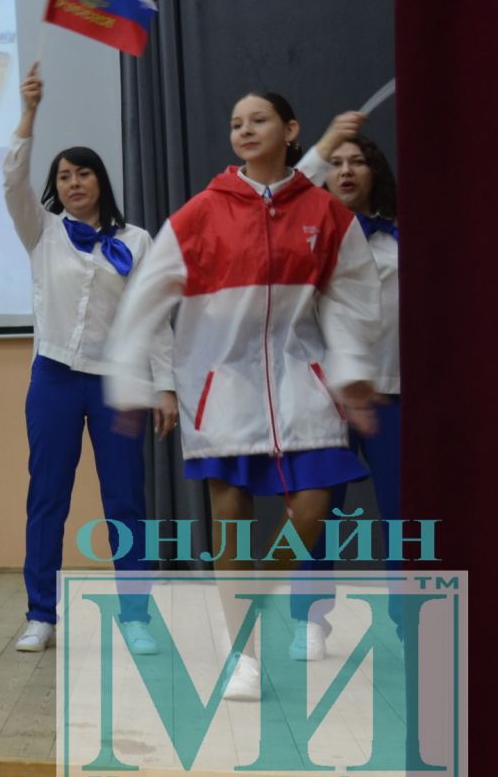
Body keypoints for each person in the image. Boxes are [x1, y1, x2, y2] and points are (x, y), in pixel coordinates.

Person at [105, 94, 380, 700]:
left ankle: (251, 601)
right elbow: (145, 299)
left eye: (258, 120)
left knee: (312, 508)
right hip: (220, 389)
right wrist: (133, 381)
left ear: (291, 129)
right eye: (235, 123)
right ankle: (242, 657)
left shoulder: (325, 214)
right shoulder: (200, 214)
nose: (245, 130)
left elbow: (354, 297)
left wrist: (353, 369)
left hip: (299, 388)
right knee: (228, 519)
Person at [4, 64, 168, 655]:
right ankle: (41, 614)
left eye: (84, 173)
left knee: (125, 499)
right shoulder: (42, 231)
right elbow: (12, 180)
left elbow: (154, 320)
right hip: (53, 378)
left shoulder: (139, 241)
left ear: (101, 180)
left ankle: (137, 615)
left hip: (115, 386)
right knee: (47, 495)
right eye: (64, 176)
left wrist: (164, 386)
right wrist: (29, 112)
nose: (74, 183)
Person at [293, 114, 399, 656]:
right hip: (323, 398)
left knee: (401, 510)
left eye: (357, 160)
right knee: (317, 509)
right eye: (336, 163)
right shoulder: (310, 236)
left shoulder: (400, 239)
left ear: (374, 171)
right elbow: (287, 193)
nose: (347, 169)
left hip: (391, 393)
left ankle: (410, 622)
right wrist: (327, 140)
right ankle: (308, 620)